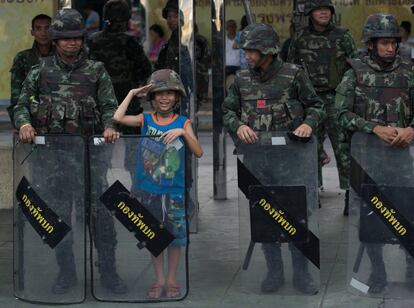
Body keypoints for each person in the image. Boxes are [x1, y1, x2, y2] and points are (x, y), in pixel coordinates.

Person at [13, 8, 126, 294]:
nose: (71, 43)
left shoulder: (96, 70)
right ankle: (66, 273)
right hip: (53, 160)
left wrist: (111, 125)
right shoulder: (40, 71)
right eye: (65, 38)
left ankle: (109, 273)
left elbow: (110, 106)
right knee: (59, 219)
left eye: (76, 37)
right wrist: (25, 123)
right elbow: (22, 104)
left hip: (91, 160)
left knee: (100, 220)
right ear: (55, 40)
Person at [223, 23, 325, 294]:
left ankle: (301, 274)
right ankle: (274, 273)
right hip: (258, 163)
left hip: (293, 163)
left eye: (251, 50)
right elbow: (228, 111)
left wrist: (309, 124)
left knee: (297, 216)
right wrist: (238, 126)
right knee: (265, 216)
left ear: (267, 51)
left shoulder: (294, 75)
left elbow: (316, 105)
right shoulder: (242, 80)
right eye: (245, 50)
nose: (247, 55)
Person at [337, 13, 414, 293]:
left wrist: (411, 130)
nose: (390, 48)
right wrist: (374, 128)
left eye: (394, 42)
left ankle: (411, 270)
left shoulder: (408, 71)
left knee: (407, 215)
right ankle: (378, 272)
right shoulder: (354, 73)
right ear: (371, 44)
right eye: (384, 43)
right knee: (372, 219)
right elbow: (341, 113)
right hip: (368, 160)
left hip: (402, 161)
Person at [113, 69, 203, 299]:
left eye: (170, 94)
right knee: (153, 236)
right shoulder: (145, 119)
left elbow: (199, 152)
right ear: (152, 97)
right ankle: (159, 279)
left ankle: (172, 279)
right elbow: (118, 118)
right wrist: (133, 93)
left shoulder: (184, 122)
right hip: (148, 191)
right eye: (159, 94)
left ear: (177, 97)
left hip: (174, 192)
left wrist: (182, 131)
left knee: (175, 237)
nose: (165, 98)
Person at [287, 0, 356, 214]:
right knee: (310, 149)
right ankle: (311, 192)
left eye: (327, 9)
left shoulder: (343, 36)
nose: (324, 12)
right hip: (310, 102)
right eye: (319, 9)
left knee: (343, 148)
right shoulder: (299, 39)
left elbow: (356, 67)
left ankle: (350, 195)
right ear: (310, 12)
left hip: (337, 100)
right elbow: (290, 70)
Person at [87, 0, 151, 136]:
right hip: (127, 101)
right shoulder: (129, 41)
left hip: (100, 101)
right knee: (131, 147)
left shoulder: (93, 40)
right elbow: (145, 69)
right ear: (126, 19)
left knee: (103, 146)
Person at [8, 14, 54, 125]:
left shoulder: (62, 56)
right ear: (32, 32)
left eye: (47, 28)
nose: (43, 33)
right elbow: (16, 93)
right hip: (30, 116)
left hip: (58, 114)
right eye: (38, 28)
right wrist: (18, 122)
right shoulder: (22, 57)